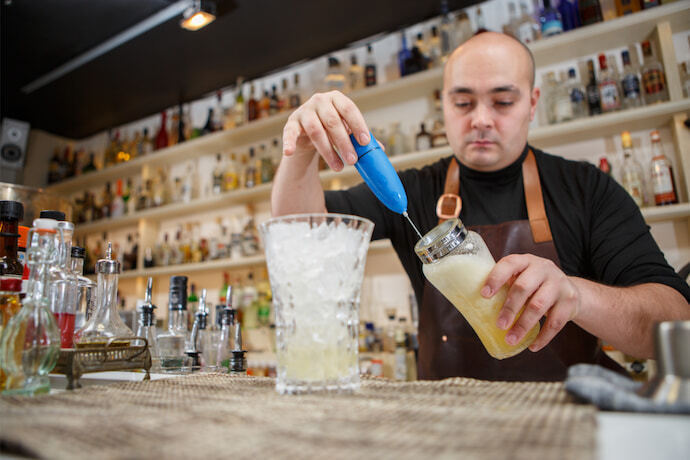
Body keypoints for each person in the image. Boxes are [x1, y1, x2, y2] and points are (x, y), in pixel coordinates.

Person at [271, 32, 690, 381]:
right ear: (444, 105)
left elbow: (677, 325)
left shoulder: (587, 189)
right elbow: (299, 234)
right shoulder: (414, 190)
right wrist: (301, 152)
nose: (482, 119)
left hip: (569, 426)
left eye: (503, 102)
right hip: (452, 431)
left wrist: (576, 295)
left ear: (533, 102)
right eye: (463, 102)